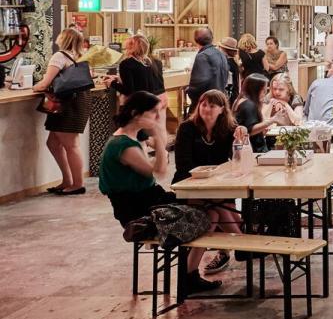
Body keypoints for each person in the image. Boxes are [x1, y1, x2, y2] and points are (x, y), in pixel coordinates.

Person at [98, 92, 224, 293]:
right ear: (136, 114)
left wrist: (159, 144)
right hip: (140, 212)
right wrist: (159, 138)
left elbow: (155, 167)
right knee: (211, 213)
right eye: (154, 113)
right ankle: (189, 276)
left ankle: (190, 273)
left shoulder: (129, 139)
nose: (157, 118)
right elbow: (160, 170)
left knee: (211, 207)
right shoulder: (122, 145)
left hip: (150, 200)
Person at [172, 89, 249, 273]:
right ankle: (244, 245)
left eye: (212, 106)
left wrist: (243, 134)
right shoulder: (187, 128)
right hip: (188, 185)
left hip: (216, 185)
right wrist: (208, 176)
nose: (206, 109)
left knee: (218, 209)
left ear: (222, 109)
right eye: (203, 104)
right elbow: (183, 164)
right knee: (219, 207)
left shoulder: (228, 129)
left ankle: (236, 248)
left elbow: (236, 159)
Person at [32, 28, 91, 195]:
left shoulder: (59, 56)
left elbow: (45, 83)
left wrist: (35, 87)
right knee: (54, 143)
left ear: (63, 39)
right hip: (79, 101)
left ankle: (77, 184)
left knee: (71, 145)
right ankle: (67, 180)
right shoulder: (82, 57)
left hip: (66, 104)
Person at [107, 34, 165, 101]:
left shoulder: (126, 64)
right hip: (160, 102)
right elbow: (143, 81)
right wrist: (120, 79)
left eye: (125, 48)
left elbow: (129, 91)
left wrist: (112, 83)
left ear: (130, 48)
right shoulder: (157, 62)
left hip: (143, 104)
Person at [186, 27, 229, 106]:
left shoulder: (202, 56)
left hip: (207, 103)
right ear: (212, 38)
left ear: (195, 40)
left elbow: (198, 83)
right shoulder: (221, 53)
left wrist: (189, 91)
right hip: (219, 100)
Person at [233, 73, 271, 153]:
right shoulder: (249, 105)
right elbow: (250, 130)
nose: (265, 94)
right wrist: (273, 120)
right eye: (264, 91)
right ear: (256, 90)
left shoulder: (239, 101)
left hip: (245, 149)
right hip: (254, 151)